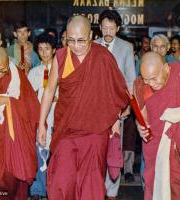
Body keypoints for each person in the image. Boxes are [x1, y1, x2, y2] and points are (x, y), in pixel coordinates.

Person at [38, 15, 128, 200]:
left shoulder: (103, 57)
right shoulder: (61, 57)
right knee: (61, 180)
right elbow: (49, 91)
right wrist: (41, 124)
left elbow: (117, 92)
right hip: (66, 130)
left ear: (92, 36)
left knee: (91, 183)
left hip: (95, 132)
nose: (76, 46)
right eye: (70, 40)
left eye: (81, 40)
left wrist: (115, 122)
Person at [0, 46, 40, 199]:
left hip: (8, 148)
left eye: (3, 69)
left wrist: (8, 101)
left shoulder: (17, 77)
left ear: (8, 62)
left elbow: (32, 108)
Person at [95, 9, 136, 199]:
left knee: (114, 152)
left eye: (112, 28)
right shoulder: (92, 45)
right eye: (105, 28)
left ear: (118, 28)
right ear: (100, 27)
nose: (108, 32)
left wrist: (127, 107)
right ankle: (96, 189)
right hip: (94, 110)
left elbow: (130, 80)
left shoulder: (126, 47)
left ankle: (111, 193)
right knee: (95, 151)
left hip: (115, 110)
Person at [136, 51, 180, 200]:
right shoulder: (141, 85)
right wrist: (140, 127)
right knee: (155, 187)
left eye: (154, 79)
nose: (151, 84)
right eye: (146, 79)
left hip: (177, 147)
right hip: (155, 147)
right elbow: (143, 119)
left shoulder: (178, 74)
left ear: (166, 68)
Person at [28, 32, 57, 200]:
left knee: (53, 156)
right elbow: (28, 98)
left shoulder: (60, 72)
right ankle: (38, 190)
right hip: (39, 119)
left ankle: (52, 190)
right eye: (40, 49)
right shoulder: (34, 73)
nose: (44, 52)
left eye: (47, 49)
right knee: (38, 154)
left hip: (55, 117)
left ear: (54, 50)